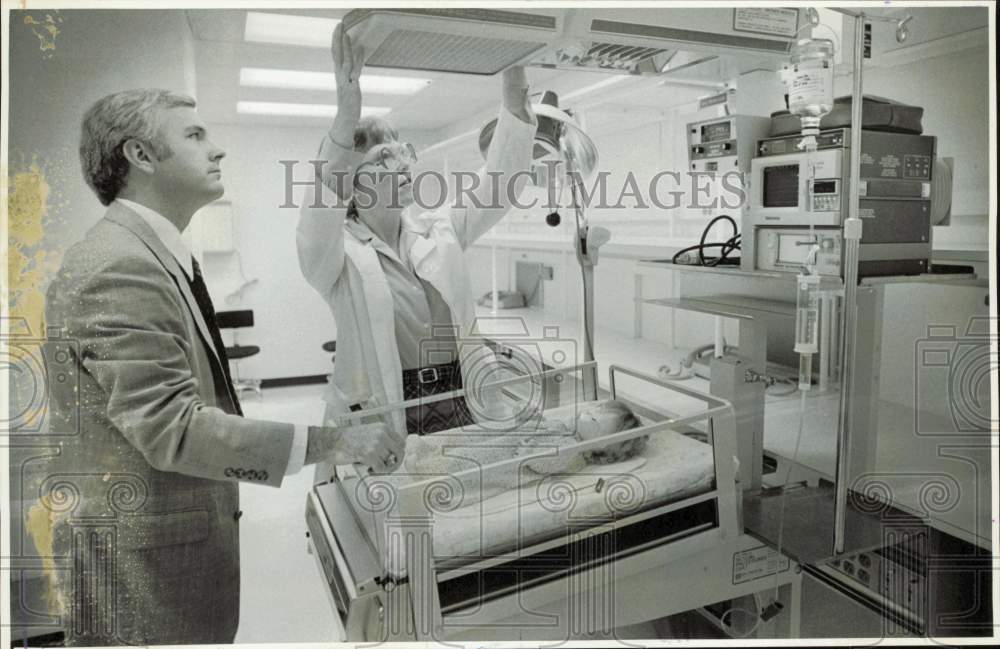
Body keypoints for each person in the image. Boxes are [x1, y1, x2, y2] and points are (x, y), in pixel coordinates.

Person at [37, 88, 404, 646]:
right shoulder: (119, 266)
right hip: (142, 575)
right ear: (140, 155)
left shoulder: (151, 253)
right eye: (194, 135)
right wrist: (336, 443)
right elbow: (174, 429)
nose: (218, 149)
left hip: (167, 549)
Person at [297, 25, 538, 436]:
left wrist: (514, 79)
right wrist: (346, 113)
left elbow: (502, 182)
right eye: (383, 157)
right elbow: (322, 199)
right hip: (387, 404)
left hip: (462, 393)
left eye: (402, 151)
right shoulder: (333, 255)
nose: (404, 165)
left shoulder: (439, 228)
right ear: (353, 181)